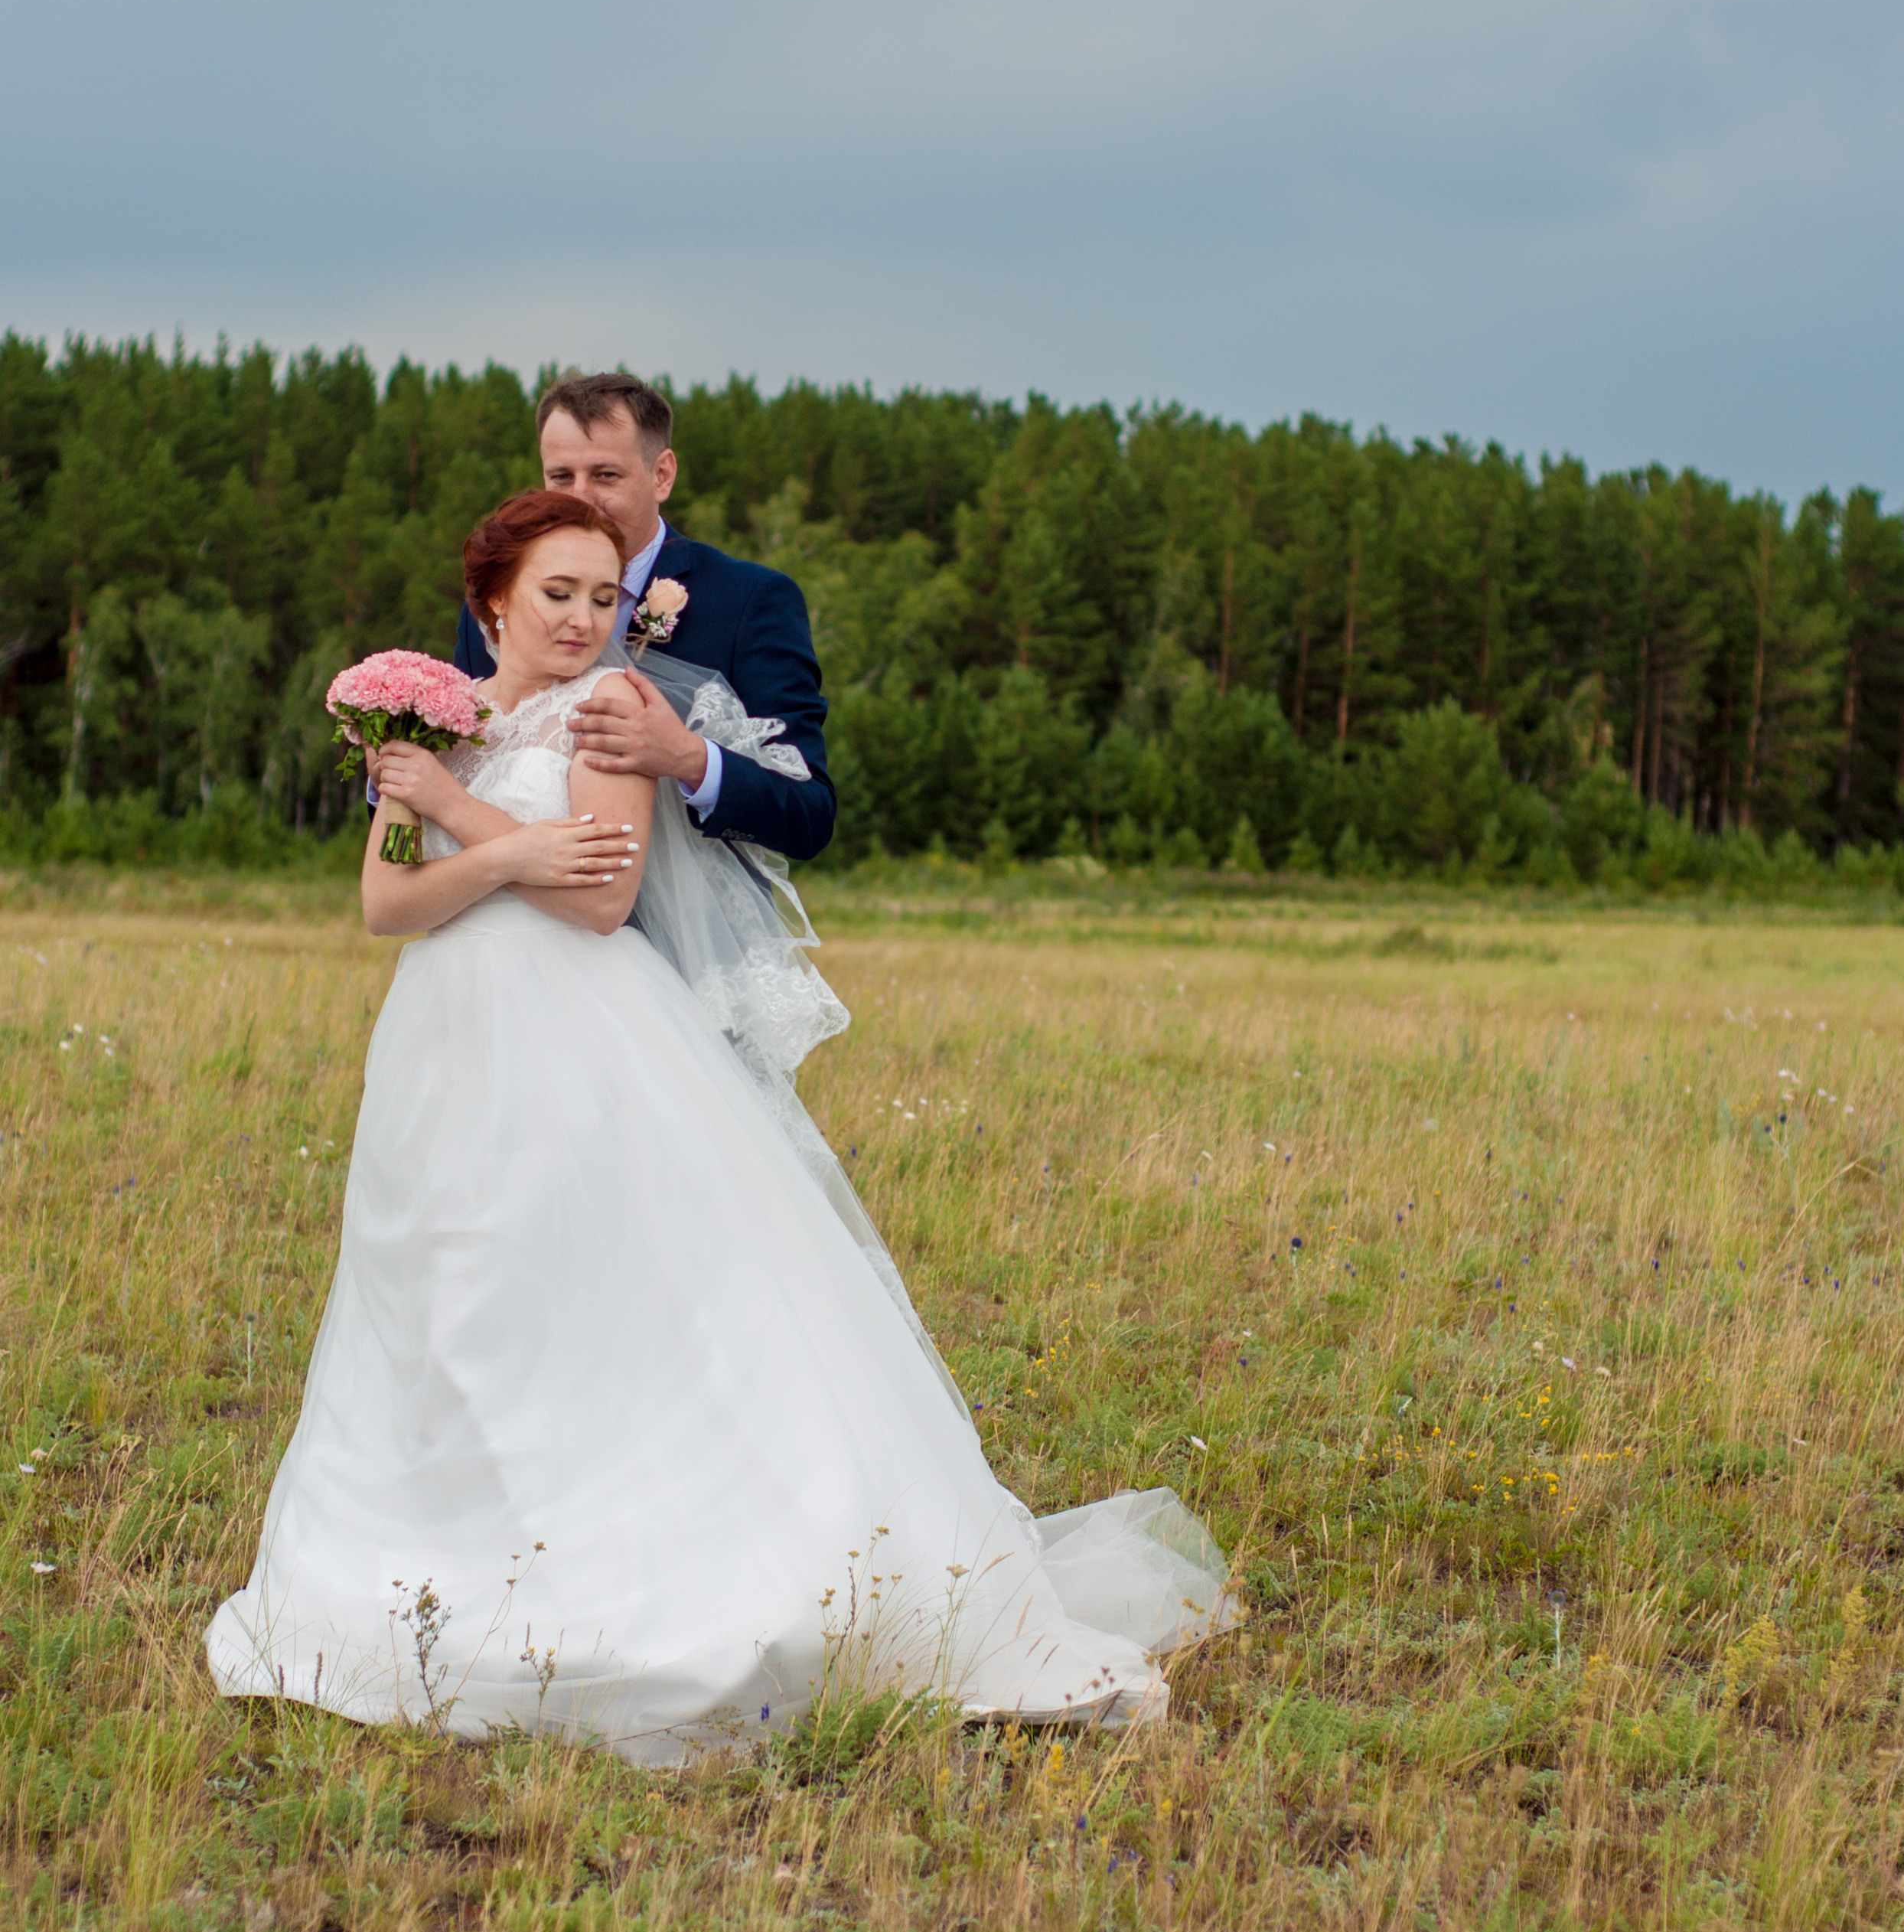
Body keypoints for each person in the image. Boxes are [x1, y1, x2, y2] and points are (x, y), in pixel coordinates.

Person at [208, 489, 1229, 1757]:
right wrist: (483, 827)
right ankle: (439, 1563)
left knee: (584, 1300)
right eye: (556, 595)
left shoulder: (611, 717)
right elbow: (385, 903)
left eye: (602, 595)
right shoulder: (447, 726)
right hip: (443, 1046)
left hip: (579, 1042)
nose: (585, 620)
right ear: (491, 606)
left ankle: (644, 1576)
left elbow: (601, 893)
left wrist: (472, 830)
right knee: (446, 1296)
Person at [459, 370, 835, 869]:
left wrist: (687, 758)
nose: (580, 499)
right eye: (561, 477)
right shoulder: (497, 607)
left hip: (682, 942)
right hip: (517, 913)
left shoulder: (752, 601)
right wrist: (393, 775)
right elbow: (461, 770)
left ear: (662, 475)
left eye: (606, 475)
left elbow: (810, 815)